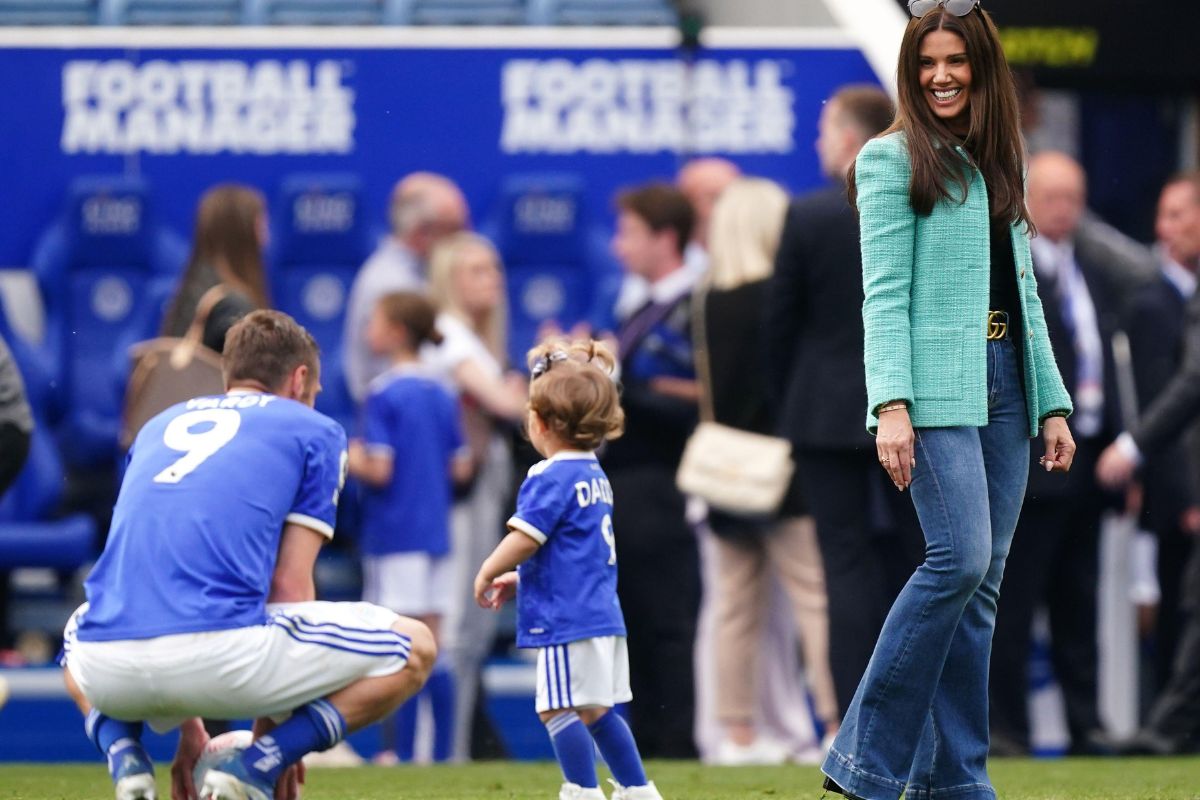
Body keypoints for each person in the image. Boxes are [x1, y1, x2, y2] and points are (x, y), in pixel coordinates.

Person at [820, 4, 1075, 799]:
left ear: (981, 68)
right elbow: (883, 298)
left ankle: (955, 780)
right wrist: (889, 403)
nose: (941, 75)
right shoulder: (889, 159)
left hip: (1006, 381)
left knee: (981, 585)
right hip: (932, 388)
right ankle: (861, 765)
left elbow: (1024, 293)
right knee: (956, 559)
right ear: (909, 71)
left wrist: (1052, 401)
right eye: (927, 61)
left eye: (956, 60)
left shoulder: (1005, 157)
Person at [60, 310, 435, 800]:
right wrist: (271, 740)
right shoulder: (312, 429)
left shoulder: (156, 427)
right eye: (314, 391)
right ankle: (255, 769)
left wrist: (190, 730)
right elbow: (290, 588)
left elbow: (143, 575)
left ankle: (123, 755)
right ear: (300, 380)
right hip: (226, 657)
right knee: (415, 647)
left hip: (107, 668)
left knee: (76, 633)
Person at [765, 84, 924, 723]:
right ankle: (914, 713)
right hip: (908, 408)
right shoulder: (920, 205)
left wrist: (791, 407)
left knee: (843, 568)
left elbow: (778, 326)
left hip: (824, 420)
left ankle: (855, 722)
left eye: (827, 130)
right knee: (918, 563)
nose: (818, 143)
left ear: (855, 140)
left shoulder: (808, 215)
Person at [473, 338, 664, 800]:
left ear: (541, 422)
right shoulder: (594, 474)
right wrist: (523, 579)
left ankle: (581, 789)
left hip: (566, 618)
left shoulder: (550, 476)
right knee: (598, 710)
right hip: (600, 614)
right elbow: (570, 553)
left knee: (557, 709)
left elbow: (526, 537)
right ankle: (638, 790)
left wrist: (487, 569)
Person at [989, 151, 1128, 757]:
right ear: (1025, 199)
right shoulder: (1011, 273)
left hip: (1092, 458)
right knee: (1015, 602)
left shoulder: (1094, 270)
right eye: (1052, 196)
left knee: (1080, 599)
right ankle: (1008, 727)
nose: (1063, 209)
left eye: (1074, 197)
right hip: (1036, 459)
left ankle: (1085, 723)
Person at [697, 176, 838, 763]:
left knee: (734, 606)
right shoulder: (778, 298)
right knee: (816, 600)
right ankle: (835, 722)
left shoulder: (710, 298)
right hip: (784, 468)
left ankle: (737, 734)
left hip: (726, 470)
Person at [1101, 172, 1200, 756]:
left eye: (1182, 214)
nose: (1170, 230)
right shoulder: (1152, 297)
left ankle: (1166, 728)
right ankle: (1169, 726)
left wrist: (1133, 447)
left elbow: (1192, 383)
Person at [347, 292, 469, 765]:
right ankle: (440, 754)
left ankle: (396, 751)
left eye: (374, 321)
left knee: (396, 645)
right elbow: (460, 467)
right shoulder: (442, 392)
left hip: (395, 534)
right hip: (437, 532)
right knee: (436, 645)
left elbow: (380, 468)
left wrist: (349, 456)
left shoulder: (383, 393)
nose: (366, 331)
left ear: (397, 331)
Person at [604, 183, 701, 759]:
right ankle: (648, 740)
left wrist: (626, 388)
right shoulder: (637, 305)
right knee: (638, 617)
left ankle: (676, 741)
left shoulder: (691, 301)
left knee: (666, 620)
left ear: (666, 238)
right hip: (633, 483)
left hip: (667, 483)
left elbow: (695, 396)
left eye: (630, 233)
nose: (619, 247)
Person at [425, 231, 527, 760]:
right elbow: (507, 405)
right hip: (450, 497)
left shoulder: (477, 339)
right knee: (455, 624)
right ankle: (438, 752)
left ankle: (453, 749)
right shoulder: (447, 332)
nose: (492, 280)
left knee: (471, 629)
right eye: (476, 270)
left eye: (495, 269)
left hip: (483, 485)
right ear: (448, 279)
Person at [343, 172, 469, 402]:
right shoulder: (393, 284)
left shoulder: (420, 273)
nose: (465, 239)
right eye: (454, 229)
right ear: (422, 233)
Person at [613, 159, 740, 324]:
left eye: (728, 199)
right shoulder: (633, 288)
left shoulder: (739, 273)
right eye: (711, 198)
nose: (718, 210)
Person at [160, 184, 270, 354]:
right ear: (243, 232)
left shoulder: (193, 284)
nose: (265, 236)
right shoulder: (232, 306)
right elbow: (258, 372)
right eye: (260, 224)